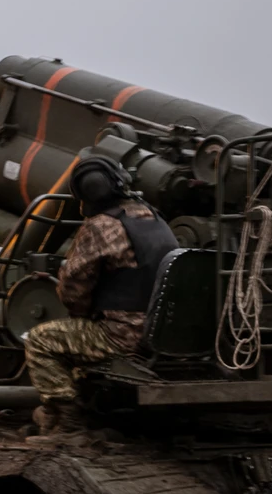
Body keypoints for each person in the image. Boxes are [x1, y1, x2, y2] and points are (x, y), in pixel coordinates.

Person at [24, 156, 178, 434]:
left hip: (123, 336)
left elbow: (73, 289)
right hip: (162, 331)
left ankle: (66, 421)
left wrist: (84, 313)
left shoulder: (100, 226)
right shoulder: (154, 218)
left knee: (41, 341)